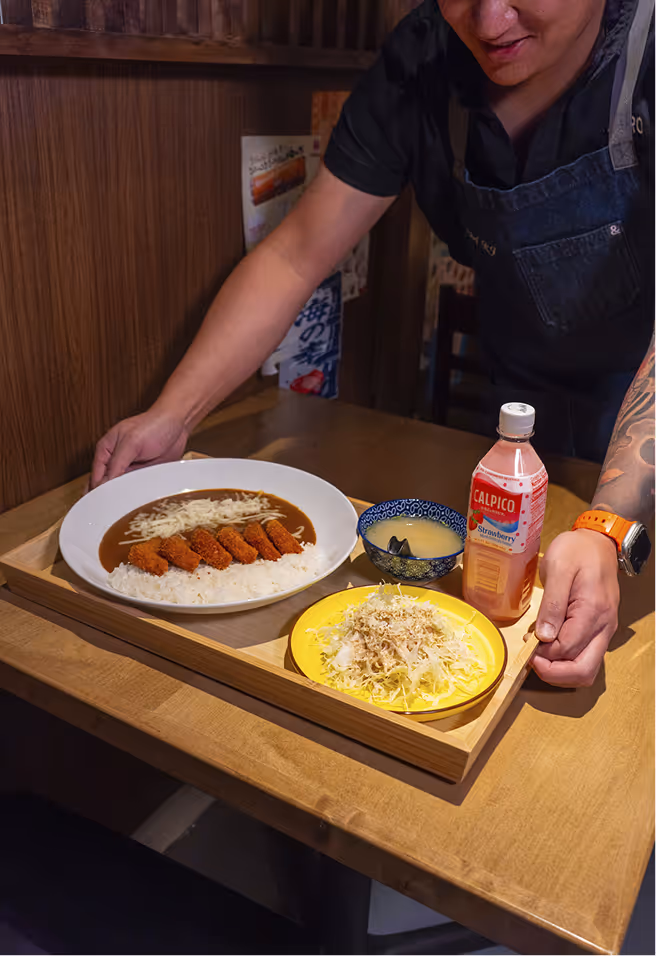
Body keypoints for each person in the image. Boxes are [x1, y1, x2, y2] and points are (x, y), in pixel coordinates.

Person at [91, 0, 654, 688]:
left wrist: (606, 526)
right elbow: (297, 255)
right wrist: (171, 416)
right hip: (516, 430)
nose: (489, 19)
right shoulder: (424, 58)